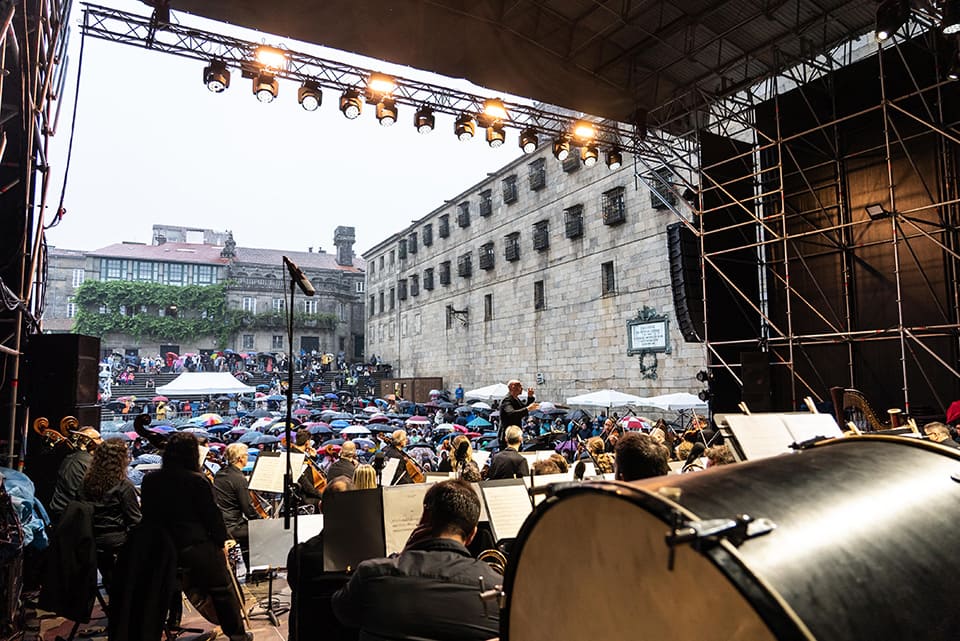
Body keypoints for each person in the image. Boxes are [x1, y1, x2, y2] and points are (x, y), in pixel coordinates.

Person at [332, 479, 501, 641]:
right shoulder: (497, 589)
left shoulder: (372, 575)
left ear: (425, 518)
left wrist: (402, 555)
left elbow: (342, 612)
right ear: (472, 534)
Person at [140, 432, 251, 641]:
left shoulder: (150, 480)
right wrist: (222, 542)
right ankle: (237, 635)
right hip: (194, 546)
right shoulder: (196, 480)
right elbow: (212, 516)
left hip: (162, 548)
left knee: (157, 593)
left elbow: (148, 516)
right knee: (222, 589)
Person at [79, 439, 141, 592]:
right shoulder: (123, 485)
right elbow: (135, 521)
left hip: (91, 540)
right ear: (121, 460)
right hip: (117, 543)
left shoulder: (86, 482)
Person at [213, 442, 263, 571]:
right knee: (258, 532)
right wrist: (261, 522)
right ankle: (257, 571)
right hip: (233, 526)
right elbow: (247, 508)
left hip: (220, 523)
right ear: (241, 458)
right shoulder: (239, 478)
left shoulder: (220, 473)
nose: (247, 457)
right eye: (246, 455)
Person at [48, 427, 102, 523]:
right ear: (87, 441)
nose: (102, 441)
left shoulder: (74, 458)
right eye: (98, 438)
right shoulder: (85, 462)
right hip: (72, 518)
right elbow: (85, 496)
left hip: (66, 514)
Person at [498, 380, 538, 450]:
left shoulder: (516, 399)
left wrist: (530, 397)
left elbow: (523, 408)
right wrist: (528, 409)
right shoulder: (507, 400)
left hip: (515, 433)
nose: (522, 388)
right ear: (513, 387)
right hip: (508, 435)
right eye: (520, 386)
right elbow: (512, 413)